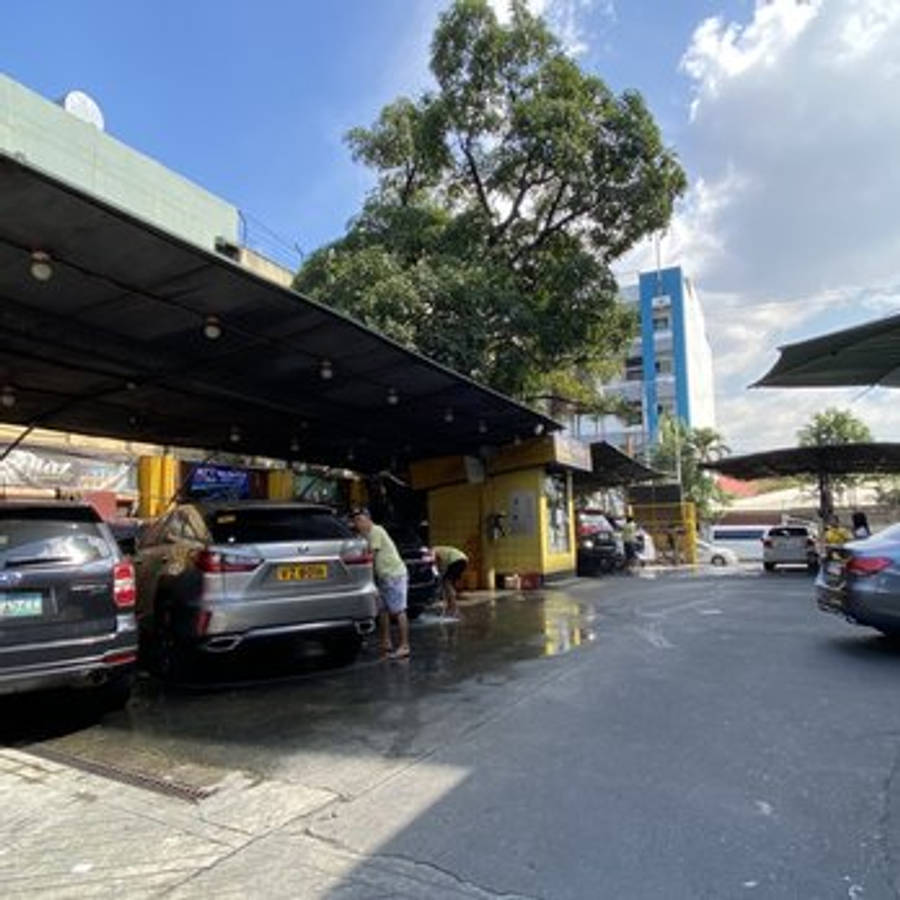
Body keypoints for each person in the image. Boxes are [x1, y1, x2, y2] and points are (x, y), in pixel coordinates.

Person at [350, 507, 410, 660]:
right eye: (356, 521)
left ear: (369, 519)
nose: (358, 524)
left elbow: (371, 556)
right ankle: (386, 643)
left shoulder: (376, 531)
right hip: (383, 576)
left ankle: (404, 646)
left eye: (361, 520)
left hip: (393, 574)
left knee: (398, 610)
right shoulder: (365, 535)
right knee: (383, 611)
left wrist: (368, 581)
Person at [433, 546, 468, 617]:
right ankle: (451, 608)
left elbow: (437, 565)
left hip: (456, 561)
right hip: (463, 560)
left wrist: (438, 575)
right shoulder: (440, 549)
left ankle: (453, 609)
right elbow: (440, 565)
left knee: (447, 583)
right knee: (449, 584)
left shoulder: (433, 551)